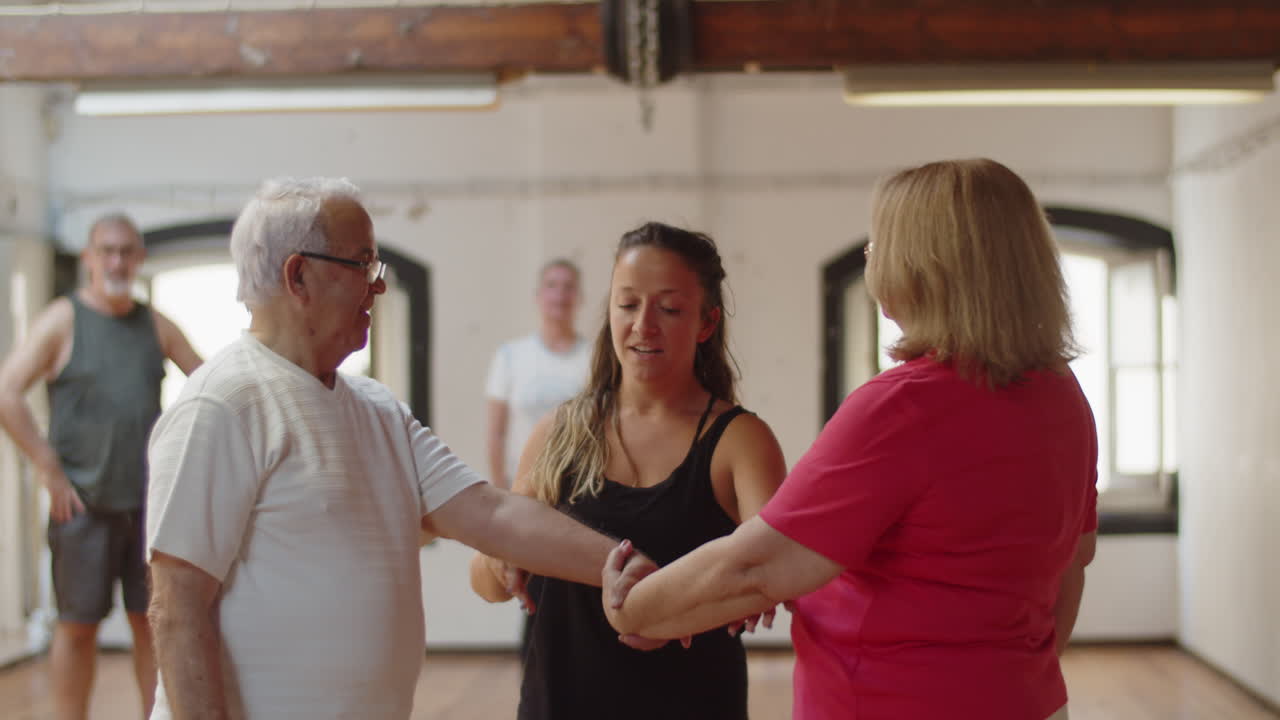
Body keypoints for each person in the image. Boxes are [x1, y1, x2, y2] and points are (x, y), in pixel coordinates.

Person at [601, 159, 1099, 720]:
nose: (872, 261)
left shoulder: (903, 407)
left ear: (922, 268)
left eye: (879, 245)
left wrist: (634, 608)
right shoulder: (1063, 395)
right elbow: (1071, 567)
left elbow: (757, 567)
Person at [143, 177, 653, 720]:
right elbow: (176, 609)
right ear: (299, 275)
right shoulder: (222, 405)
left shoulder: (377, 409)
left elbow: (492, 513)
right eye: (362, 264)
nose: (378, 285)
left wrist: (625, 567)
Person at [470, 221, 788, 720]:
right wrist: (499, 564)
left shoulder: (739, 440)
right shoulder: (561, 430)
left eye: (669, 308)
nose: (644, 325)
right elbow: (485, 581)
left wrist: (671, 612)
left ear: (706, 322)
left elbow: (774, 571)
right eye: (628, 304)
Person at [0, 213, 202, 720]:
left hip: (149, 509)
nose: (116, 261)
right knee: (77, 626)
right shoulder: (63, 320)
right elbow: (6, 394)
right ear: (89, 258)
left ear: (139, 259)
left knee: (151, 624)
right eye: (106, 250)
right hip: (82, 507)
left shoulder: (154, 323)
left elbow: (209, 386)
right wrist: (47, 467)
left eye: (126, 251)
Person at [485, 258, 591, 491]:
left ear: (579, 298)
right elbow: (496, 433)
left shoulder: (594, 358)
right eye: (552, 285)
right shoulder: (510, 355)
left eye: (568, 287)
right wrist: (502, 490)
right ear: (538, 296)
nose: (560, 295)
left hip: (577, 489)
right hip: (521, 486)